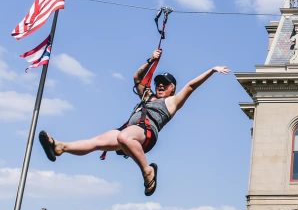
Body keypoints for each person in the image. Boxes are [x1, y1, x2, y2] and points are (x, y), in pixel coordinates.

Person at [37, 49, 229, 195]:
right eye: (158, 82)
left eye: (165, 83)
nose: (160, 85)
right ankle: (61, 147)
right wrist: (151, 60)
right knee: (97, 142)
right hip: (129, 132)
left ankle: (148, 172)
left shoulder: (172, 102)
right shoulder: (147, 95)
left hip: (146, 135)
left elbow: (191, 86)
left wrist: (212, 70)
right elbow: (137, 77)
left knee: (123, 136)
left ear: (173, 88)